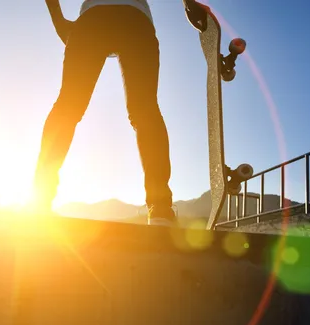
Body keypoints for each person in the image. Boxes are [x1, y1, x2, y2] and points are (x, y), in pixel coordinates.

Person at [32, 0, 196, 225]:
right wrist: (190, 5)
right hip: (135, 20)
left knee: (68, 106)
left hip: (93, 19)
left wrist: (58, 21)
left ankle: (39, 200)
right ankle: (160, 209)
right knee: (145, 109)